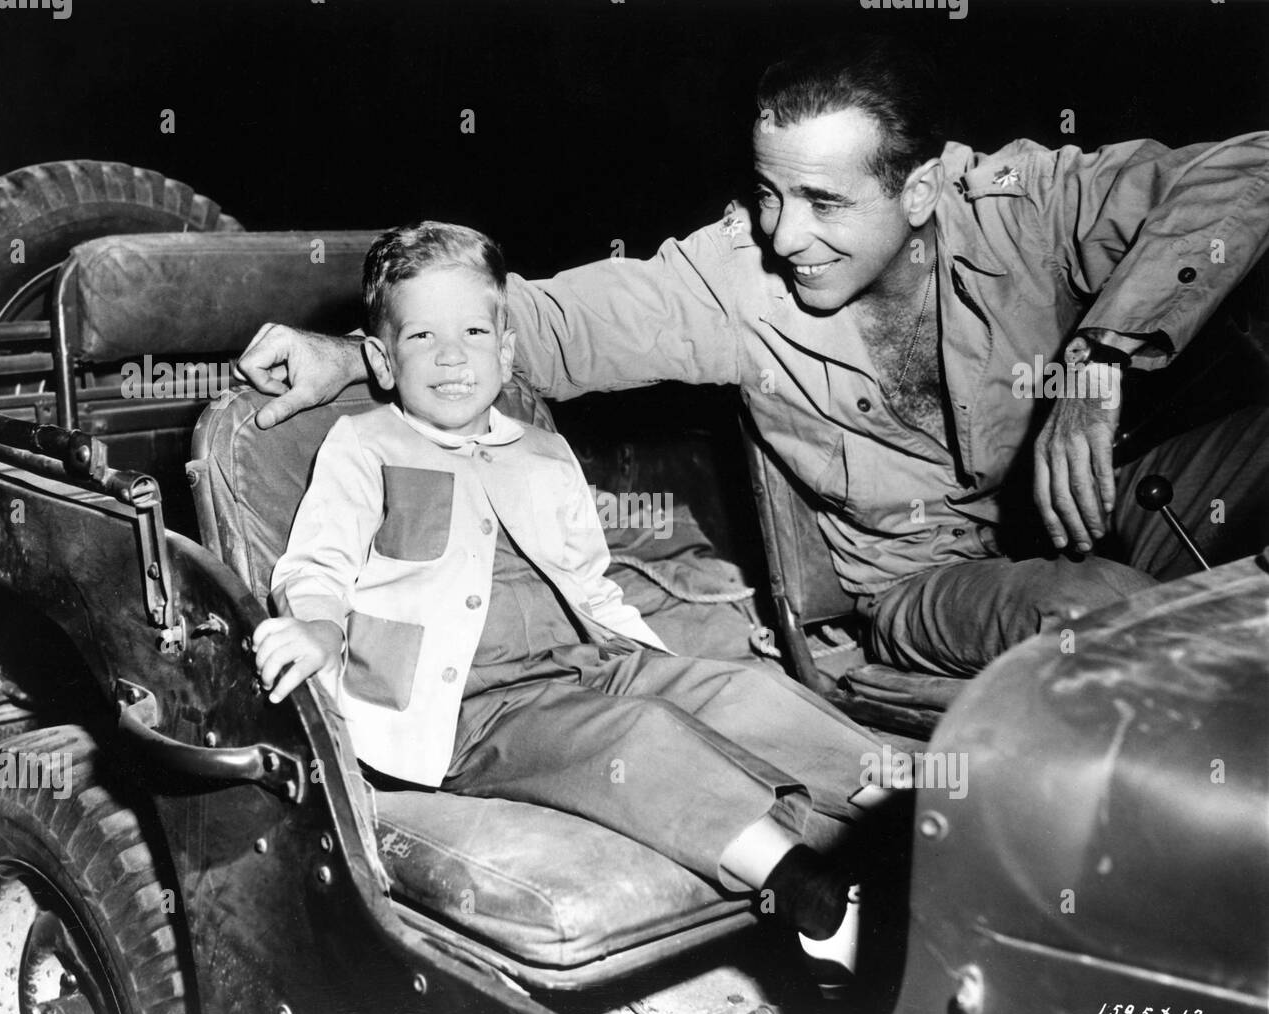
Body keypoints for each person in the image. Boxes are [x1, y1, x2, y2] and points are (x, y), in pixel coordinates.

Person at [237, 35, 1269, 679]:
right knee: (1109, 620)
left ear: (918, 194)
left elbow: (1244, 172)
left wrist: (1099, 363)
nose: (783, 234)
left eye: (825, 203)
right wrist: (349, 354)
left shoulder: (1020, 208)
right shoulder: (733, 282)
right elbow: (544, 327)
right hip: (927, 585)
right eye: (771, 194)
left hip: (1104, 502)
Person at [252, 221, 890, 950]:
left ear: (507, 346)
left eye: (472, 331)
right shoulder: (366, 445)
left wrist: (662, 670)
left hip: (590, 662)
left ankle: (907, 813)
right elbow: (316, 563)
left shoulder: (544, 452)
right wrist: (319, 627)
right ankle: (808, 892)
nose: (453, 355)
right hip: (472, 706)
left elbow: (591, 583)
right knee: (638, 737)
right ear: (381, 359)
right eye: (422, 337)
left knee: (740, 691)